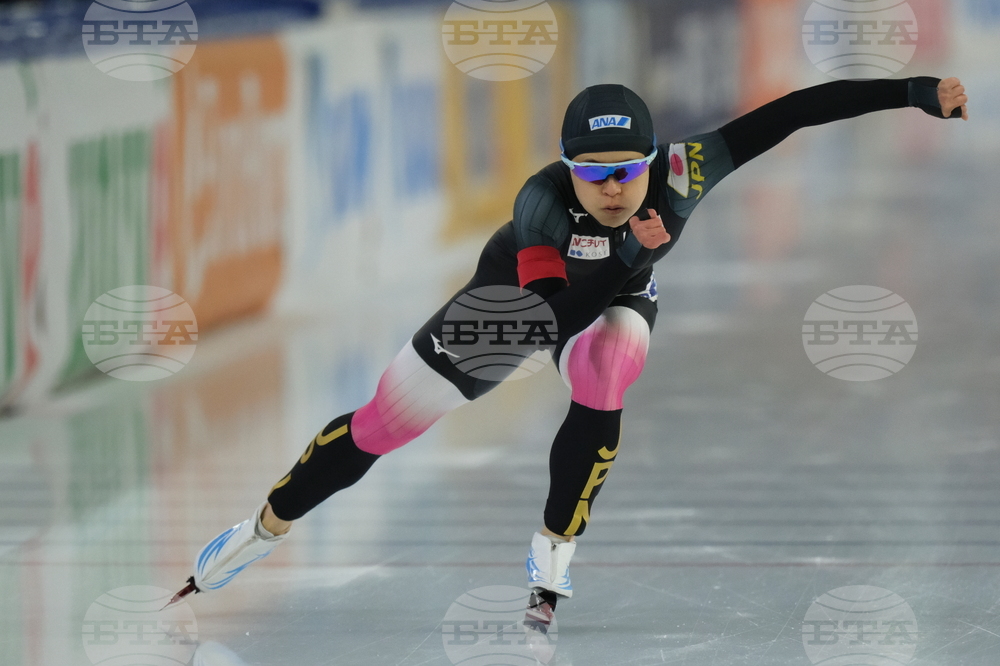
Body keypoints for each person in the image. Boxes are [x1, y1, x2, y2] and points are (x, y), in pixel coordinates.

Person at [169, 76, 969, 629]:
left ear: (652, 161)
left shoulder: (685, 172)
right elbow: (545, 323)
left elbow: (798, 108)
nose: (613, 189)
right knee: (384, 427)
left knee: (607, 365)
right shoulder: (542, 204)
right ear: (568, 170)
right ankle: (259, 529)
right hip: (514, 300)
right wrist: (628, 257)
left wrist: (915, 93)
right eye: (594, 175)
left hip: (616, 294)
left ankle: (554, 548)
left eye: (626, 172)